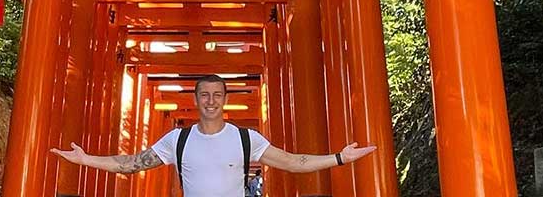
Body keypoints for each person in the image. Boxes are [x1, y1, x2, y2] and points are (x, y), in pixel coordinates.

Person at [52, 74, 376, 197]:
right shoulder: (176, 140)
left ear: (225, 99)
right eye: (204, 95)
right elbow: (131, 164)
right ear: (195, 100)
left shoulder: (246, 138)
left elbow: (294, 162)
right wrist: (84, 159)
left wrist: (339, 158)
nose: (210, 101)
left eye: (217, 95)